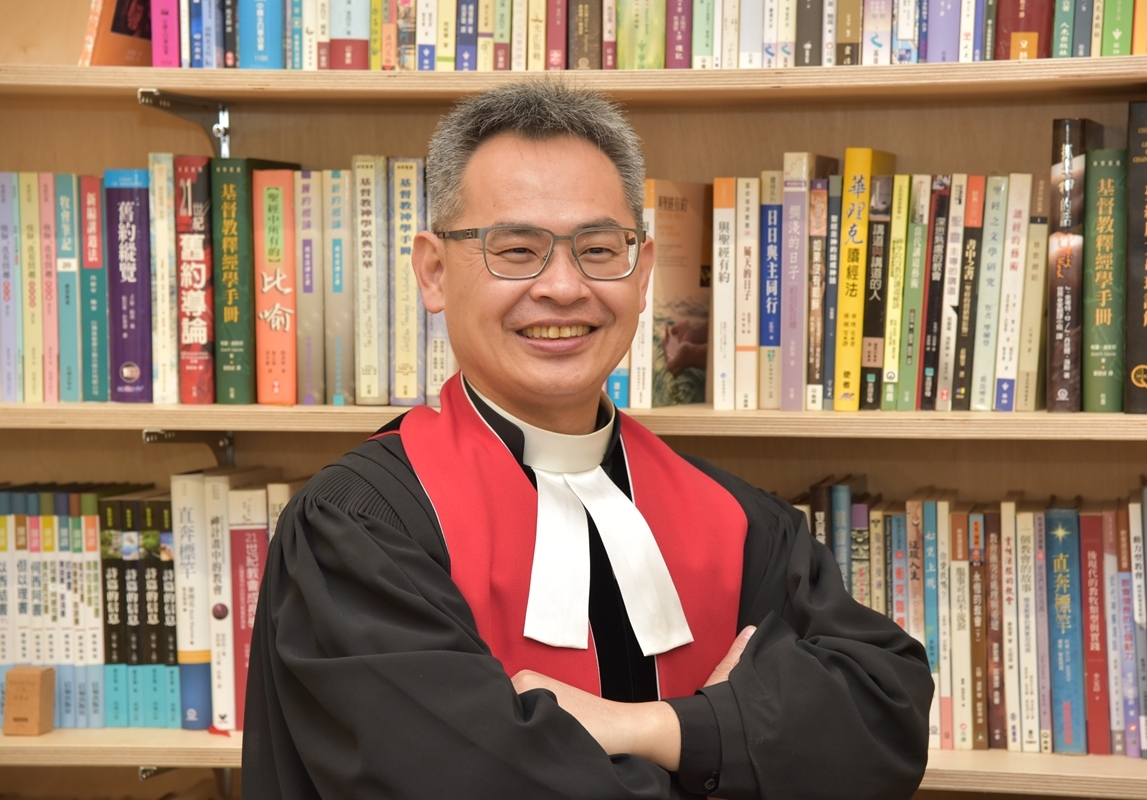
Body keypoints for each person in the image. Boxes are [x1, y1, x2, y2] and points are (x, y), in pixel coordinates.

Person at [243, 81, 933, 800]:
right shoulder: (358, 531)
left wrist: (654, 728)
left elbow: (884, 716)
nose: (565, 288)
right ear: (434, 272)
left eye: (600, 249)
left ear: (643, 274)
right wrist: (735, 742)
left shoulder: (733, 520)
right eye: (517, 250)